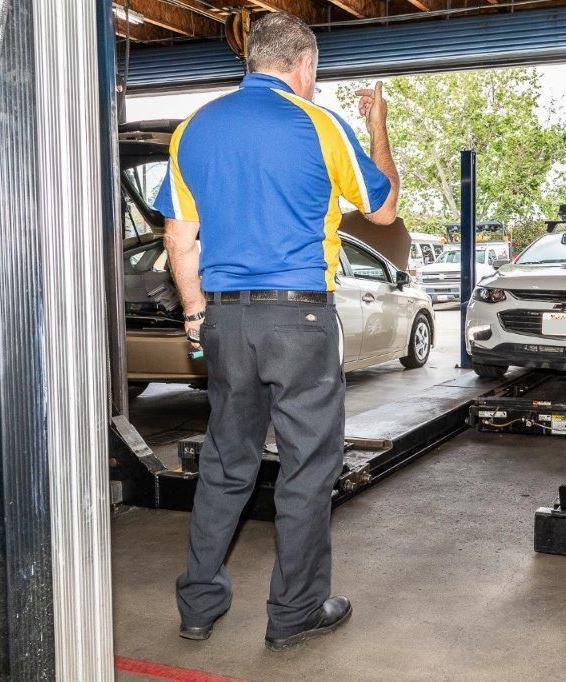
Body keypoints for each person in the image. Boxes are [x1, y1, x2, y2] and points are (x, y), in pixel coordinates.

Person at [154, 11, 399, 652]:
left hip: (226, 318)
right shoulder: (319, 124)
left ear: (248, 61)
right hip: (299, 316)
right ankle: (294, 613)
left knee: (225, 463)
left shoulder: (194, 129)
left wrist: (195, 314)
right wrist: (377, 123)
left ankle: (199, 607)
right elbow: (382, 207)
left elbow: (180, 238)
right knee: (307, 468)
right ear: (304, 65)